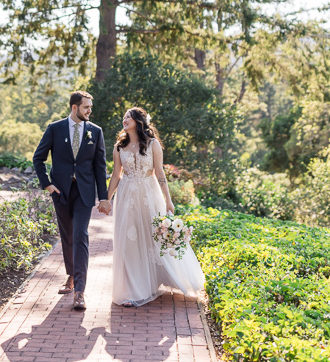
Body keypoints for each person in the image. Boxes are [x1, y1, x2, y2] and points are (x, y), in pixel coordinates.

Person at [105, 107, 205, 307]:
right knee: (129, 242)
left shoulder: (153, 144)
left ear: (138, 121)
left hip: (149, 196)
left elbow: (160, 174)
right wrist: (107, 199)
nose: (124, 120)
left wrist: (168, 200)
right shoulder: (119, 146)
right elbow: (116, 175)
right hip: (126, 197)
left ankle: (162, 279)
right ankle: (133, 289)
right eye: (124, 117)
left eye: (128, 117)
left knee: (153, 238)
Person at [33, 90, 111, 310]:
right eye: (86, 107)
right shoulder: (54, 129)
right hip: (61, 192)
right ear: (74, 107)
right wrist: (47, 184)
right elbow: (38, 158)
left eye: (90, 107)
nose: (90, 110)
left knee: (80, 235)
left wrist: (103, 197)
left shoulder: (95, 131)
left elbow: (100, 166)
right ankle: (71, 275)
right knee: (67, 237)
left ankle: (79, 291)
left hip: (85, 193)